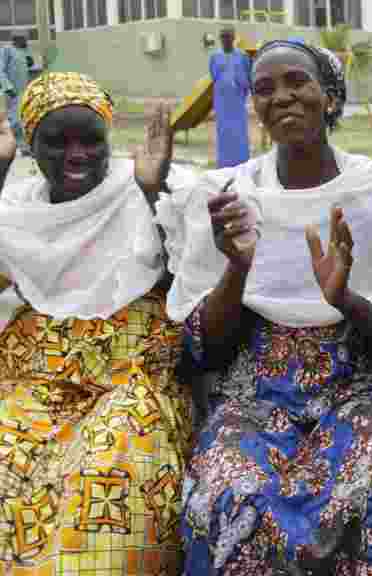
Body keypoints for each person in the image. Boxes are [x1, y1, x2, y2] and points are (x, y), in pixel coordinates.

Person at [157, 40, 372, 574]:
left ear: (330, 98)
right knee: (225, 488)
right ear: (255, 108)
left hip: (358, 387)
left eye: (297, 82)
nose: (281, 96)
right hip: (254, 395)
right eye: (264, 88)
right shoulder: (227, 196)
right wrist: (237, 267)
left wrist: (343, 300)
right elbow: (201, 348)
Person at [0, 72, 193, 574]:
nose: (77, 154)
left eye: (91, 139)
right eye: (56, 141)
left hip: (127, 384)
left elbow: (189, 281)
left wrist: (156, 192)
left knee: (106, 484)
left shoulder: (139, 189)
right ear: (29, 144)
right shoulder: (17, 209)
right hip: (31, 382)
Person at [208, 25, 251, 168]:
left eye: (228, 36)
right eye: (223, 37)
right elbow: (214, 77)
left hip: (237, 102)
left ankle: (241, 163)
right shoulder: (214, 57)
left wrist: (240, 87)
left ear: (233, 38)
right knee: (224, 133)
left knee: (239, 133)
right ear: (220, 39)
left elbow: (248, 78)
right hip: (221, 102)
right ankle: (224, 163)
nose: (226, 40)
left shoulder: (243, 56)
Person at [0, 32, 30, 155]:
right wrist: (7, 86)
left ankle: (23, 146)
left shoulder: (22, 52)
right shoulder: (7, 50)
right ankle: (22, 147)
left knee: (22, 119)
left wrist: (29, 60)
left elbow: (24, 68)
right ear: (16, 39)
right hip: (12, 91)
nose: (26, 42)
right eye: (24, 39)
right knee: (15, 120)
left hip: (23, 91)